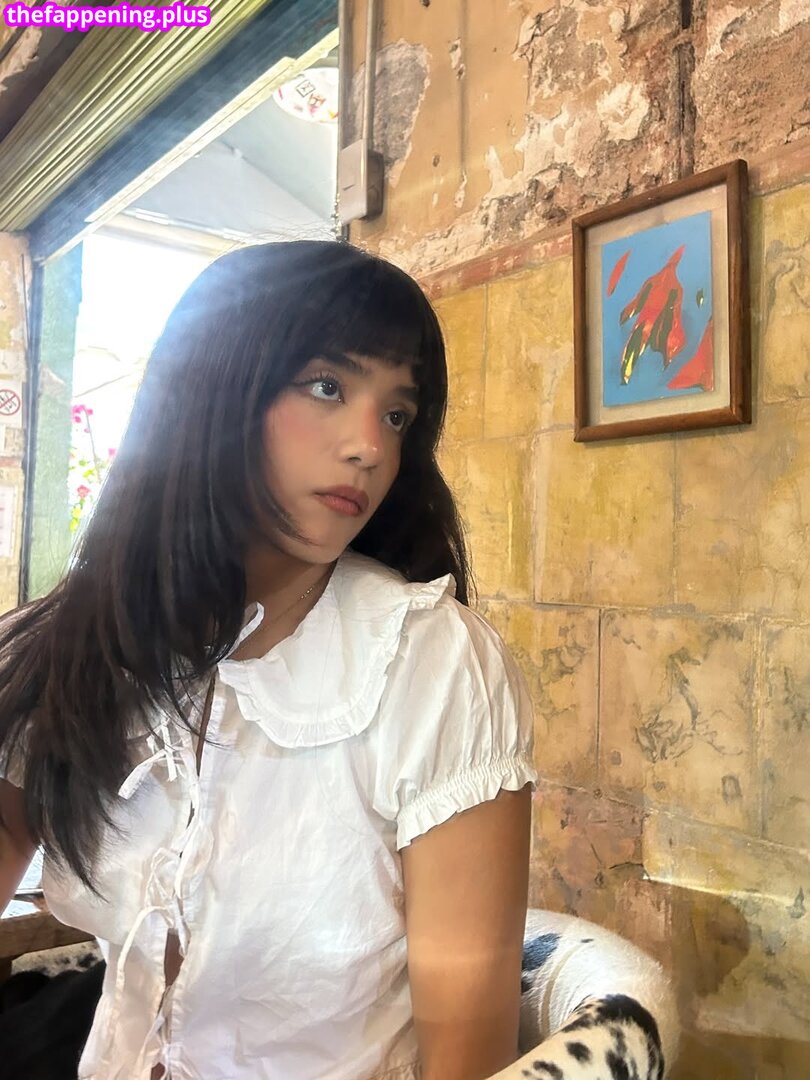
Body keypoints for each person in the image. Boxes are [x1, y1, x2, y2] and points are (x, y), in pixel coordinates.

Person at [0, 240, 538, 1080]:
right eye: (328, 386)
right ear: (211, 388)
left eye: (398, 414)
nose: (371, 446)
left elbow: (466, 1063)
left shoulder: (434, 665)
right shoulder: (67, 648)